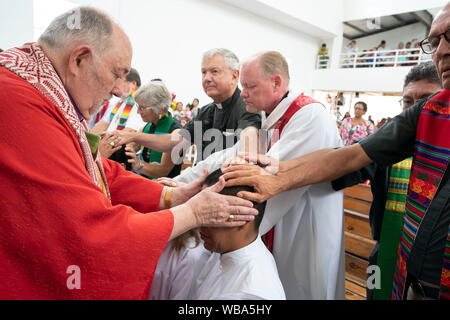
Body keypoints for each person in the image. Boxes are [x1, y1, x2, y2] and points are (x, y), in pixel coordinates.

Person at [0, 6, 258, 299]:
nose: (120, 92)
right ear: (79, 60)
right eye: (116, 74)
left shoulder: (41, 89)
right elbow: (88, 231)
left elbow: (97, 170)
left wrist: (173, 196)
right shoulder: (22, 103)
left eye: (215, 71)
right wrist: (191, 210)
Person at [222, 4, 450, 300]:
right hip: (398, 267)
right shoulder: (428, 116)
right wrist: (278, 170)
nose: (442, 49)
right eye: (434, 42)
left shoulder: (311, 114)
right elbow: (347, 157)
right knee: (375, 290)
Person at [164, 51, 345, 300]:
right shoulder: (269, 116)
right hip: (278, 226)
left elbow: (258, 176)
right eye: (243, 87)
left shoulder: (310, 116)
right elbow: (230, 157)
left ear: (276, 82)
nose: (244, 93)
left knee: (299, 286)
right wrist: (178, 185)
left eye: (250, 86)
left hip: (302, 225)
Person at [113, 48, 261, 163]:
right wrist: (134, 137)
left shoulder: (247, 107)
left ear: (235, 75)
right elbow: (175, 141)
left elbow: (248, 153)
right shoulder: (207, 111)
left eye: (214, 71)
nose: (207, 78)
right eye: (204, 72)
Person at [187, 169, 286, 300]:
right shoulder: (224, 250)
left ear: (243, 218)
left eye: (210, 213)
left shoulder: (250, 294)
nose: (200, 223)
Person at [126, 81, 183, 179]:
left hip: (167, 188)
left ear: (161, 109)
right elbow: (131, 146)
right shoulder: (146, 127)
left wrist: (138, 164)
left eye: (142, 108)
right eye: (138, 106)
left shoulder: (176, 132)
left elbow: (163, 171)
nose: (138, 111)